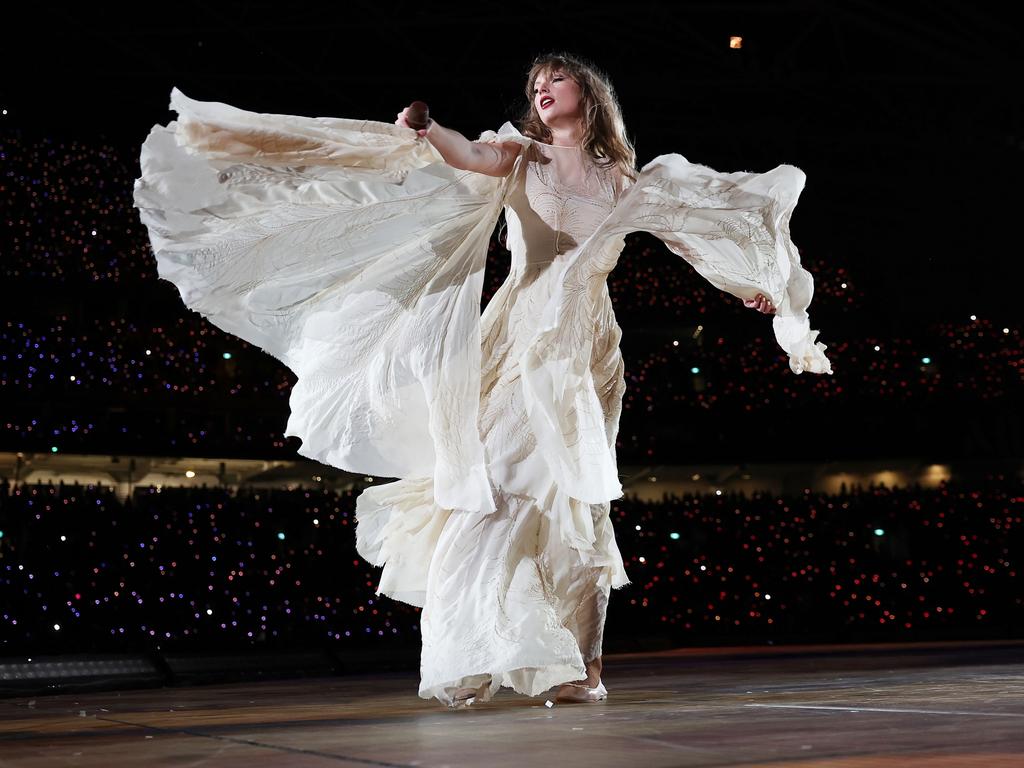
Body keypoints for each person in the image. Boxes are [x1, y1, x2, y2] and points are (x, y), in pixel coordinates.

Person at [133, 51, 832, 711]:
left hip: (587, 348)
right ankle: (467, 653)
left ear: (586, 94)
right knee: (491, 486)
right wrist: (428, 127)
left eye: (555, 80)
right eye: (536, 83)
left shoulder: (625, 181)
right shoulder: (519, 156)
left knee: (580, 502)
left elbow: (691, 233)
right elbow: (467, 154)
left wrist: (752, 291)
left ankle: (584, 669)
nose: (542, 89)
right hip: (521, 335)